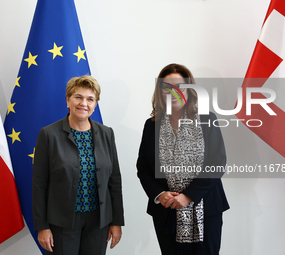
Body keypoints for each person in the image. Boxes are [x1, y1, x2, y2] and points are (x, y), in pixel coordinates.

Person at [136, 64, 229, 255]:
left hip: (206, 208)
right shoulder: (151, 125)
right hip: (166, 209)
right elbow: (143, 167)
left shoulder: (207, 119)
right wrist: (160, 194)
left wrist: (188, 196)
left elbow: (217, 164)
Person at [32, 75, 124, 255]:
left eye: (90, 99)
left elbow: (114, 181)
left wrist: (116, 222)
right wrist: (42, 226)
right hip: (62, 222)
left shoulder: (107, 134)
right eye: (78, 97)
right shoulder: (49, 134)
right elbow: (39, 184)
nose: (84, 103)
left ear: (95, 104)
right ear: (68, 100)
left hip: (99, 222)